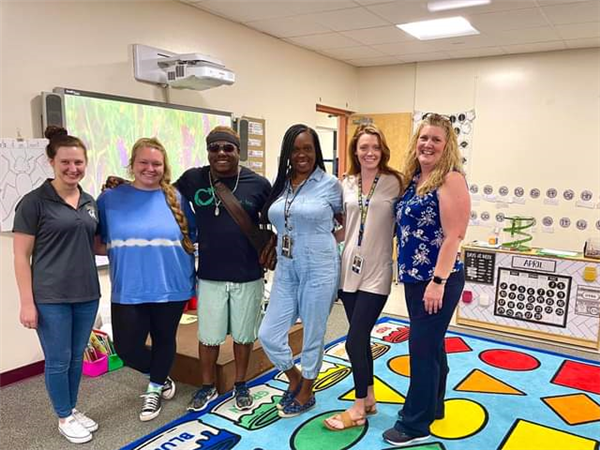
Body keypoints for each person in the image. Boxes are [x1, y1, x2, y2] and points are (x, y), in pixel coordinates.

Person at [382, 113, 470, 446]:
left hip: (438, 279)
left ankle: (415, 425)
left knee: (420, 347)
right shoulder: (416, 177)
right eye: (423, 137)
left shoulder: (450, 179)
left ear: (447, 146)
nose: (427, 144)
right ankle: (434, 406)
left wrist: (438, 281)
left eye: (435, 139)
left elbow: (454, 235)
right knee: (431, 345)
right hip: (415, 278)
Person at [96, 138, 196, 421]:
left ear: (164, 167)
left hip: (171, 284)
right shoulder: (110, 199)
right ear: (132, 164)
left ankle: (154, 389)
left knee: (165, 339)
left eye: (156, 164)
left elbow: (194, 237)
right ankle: (162, 376)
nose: (150, 169)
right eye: (144, 162)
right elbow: (99, 241)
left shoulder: (177, 198)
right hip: (129, 287)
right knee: (127, 350)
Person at [13, 126, 101, 444]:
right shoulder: (34, 202)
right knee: (59, 358)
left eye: (78, 162)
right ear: (51, 161)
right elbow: (21, 256)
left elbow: (96, 244)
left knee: (77, 356)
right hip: (51, 296)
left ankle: (72, 407)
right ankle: (63, 416)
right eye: (65, 162)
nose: (72, 168)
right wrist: (27, 303)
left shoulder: (89, 200)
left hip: (87, 293)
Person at [175, 126, 271, 413]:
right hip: (210, 275)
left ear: (238, 152)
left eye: (227, 148)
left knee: (243, 336)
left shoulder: (258, 183)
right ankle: (207, 386)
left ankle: (240, 384)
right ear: (207, 151)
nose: (221, 153)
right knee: (208, 336)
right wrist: (124, 186)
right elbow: (159, 191)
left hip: (248, 274)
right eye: (214, 148)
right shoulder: (194, 178)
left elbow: (271, 223)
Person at [258, 124, 343, 418]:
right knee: (268, 333)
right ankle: (294, 378)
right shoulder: (281, 184)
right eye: (296, 149)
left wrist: (325, 246)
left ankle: (307, 389)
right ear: (288, 153)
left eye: (308, 148)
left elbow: (344, 223)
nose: (302, 154)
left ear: (316, 151)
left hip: (319, 266)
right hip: (286, 266)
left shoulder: (330, 184)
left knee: (313, 333)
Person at [324, 124, 403, 431]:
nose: (369, 153)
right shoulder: (346, 182)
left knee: (355, 337)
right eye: (363, 147)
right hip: (348, 269)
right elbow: (344, 226)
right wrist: (320, 240)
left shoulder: (395, 182)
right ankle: (369, 397)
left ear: (382, 150)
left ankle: (357, 407)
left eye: (375, 147)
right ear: (355, 151)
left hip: (378, 270)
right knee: (361, 339)